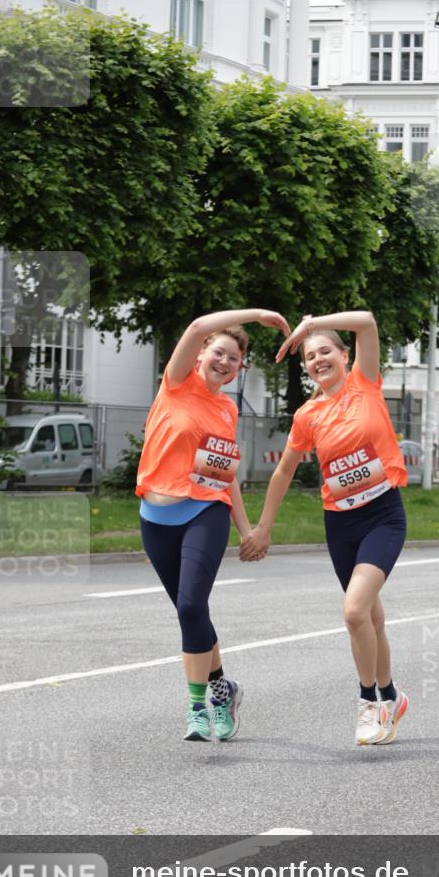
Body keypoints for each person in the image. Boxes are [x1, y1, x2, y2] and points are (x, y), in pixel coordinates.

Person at [240, 312, 409, 746]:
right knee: (370, 616)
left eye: (325, 351)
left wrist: (308, 325)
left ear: (344, 355)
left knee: (354, 612)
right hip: (341, 523)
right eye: (310, 357)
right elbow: (282, 473)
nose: (317, 360)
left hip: (383, 515)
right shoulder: (308, 415)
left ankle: (368, 702)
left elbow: (369, 321)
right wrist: (263, 528)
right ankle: (392, 697)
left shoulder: (364, 382)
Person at [137, 309, 291, 742]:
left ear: (240, 368)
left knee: (190, 606)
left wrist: (247, 529)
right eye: (219, 353)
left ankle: (196, 709)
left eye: (234, 359)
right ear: (202, 353)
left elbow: (224, 476)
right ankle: (225, 688)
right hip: (155, 515)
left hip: (205, 511)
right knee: (194, 611)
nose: (225, 362)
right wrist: (258, 316)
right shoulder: (175, 384)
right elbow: (195, 326)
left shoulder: (227, 409)